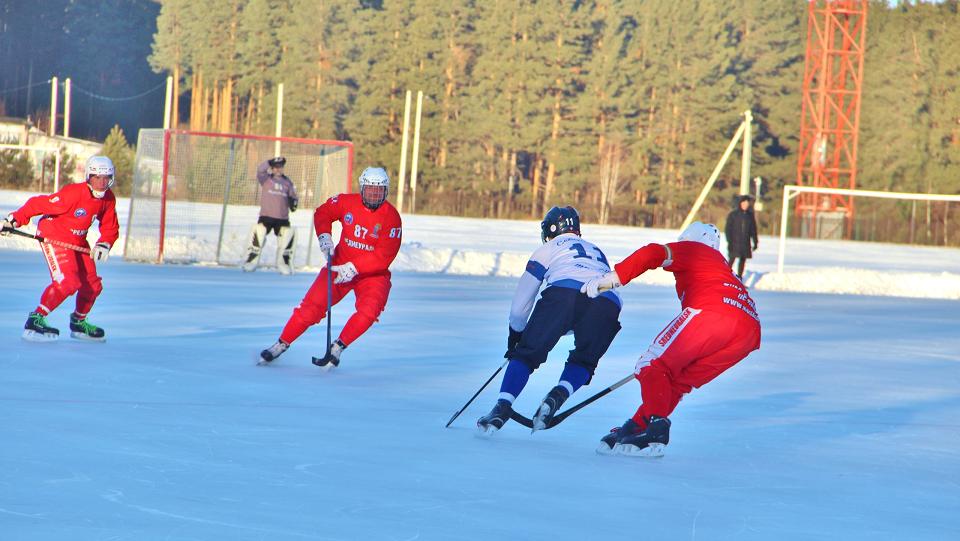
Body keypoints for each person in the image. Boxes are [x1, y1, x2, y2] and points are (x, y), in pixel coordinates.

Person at [581, 222, 761, 458]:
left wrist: (614, 278)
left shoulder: (695, 250)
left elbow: (653, 253)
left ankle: (656, 427)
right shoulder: (721, 266)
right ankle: (639, 426)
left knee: (652, 364)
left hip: (713, 313)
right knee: (676, 381)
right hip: (748, 332)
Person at [476, 206, 622, 437]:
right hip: (609, 302)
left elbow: (520, 306)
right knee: (584, 362)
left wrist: (516, 339)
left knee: (526, 355)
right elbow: (583, 310)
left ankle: (501, 408)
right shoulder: (596, 250)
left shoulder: (548, 248)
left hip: (564, 293)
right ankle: (558, 394)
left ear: (550, 229)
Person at [258, 167, 401, 369]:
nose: (374, 194)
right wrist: (324, 235)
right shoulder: (346, 202)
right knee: (310, 309)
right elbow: (323, 212)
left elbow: (384, 255)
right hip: (338, 268)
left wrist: (355, 267)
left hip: (372, 275)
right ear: (362, 188)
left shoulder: (391, 217)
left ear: (385, 191)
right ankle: (281, 344)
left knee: (370, 310)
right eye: (369, 189)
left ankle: (338, 346)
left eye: (379, 190)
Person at [1, 155, 120, 343]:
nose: (102, 183)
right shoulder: (74, 193)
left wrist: (104, 244)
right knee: (68, 282)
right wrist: (13, 220)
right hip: (55, 234)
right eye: (98, 177)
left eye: (106, 178)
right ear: (88, 177)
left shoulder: (108, 198)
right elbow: (39, 203)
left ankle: (79, 322)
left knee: (93, 285)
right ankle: (36, 318)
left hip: (78, 241)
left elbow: (110, 226)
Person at [242, 157, 299, 275]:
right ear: (273, 168)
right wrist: (269, 162)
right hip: (266, 216)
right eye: (276, 167)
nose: (278, 169)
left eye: (280, 167)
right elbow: (260, 171)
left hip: (282, 217)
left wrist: (294, 202)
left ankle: (284, 263)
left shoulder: (287, 181)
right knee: (259, 232)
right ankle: (250, 260)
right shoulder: (267, 179)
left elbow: (293, 195)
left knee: (287, 235)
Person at [725, 195, 758, 281]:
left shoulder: (750, 216)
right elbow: (728, 229)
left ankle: (739, 279)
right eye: (744, 203)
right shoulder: (733, 215)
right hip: (734, 242)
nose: (746, 205)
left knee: (742, 261)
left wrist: (755, 242)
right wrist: (729, 240)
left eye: (747, 203)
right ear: (740, 204)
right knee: (731, 259)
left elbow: (753, 230)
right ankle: (726, 278)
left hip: (745, 243)